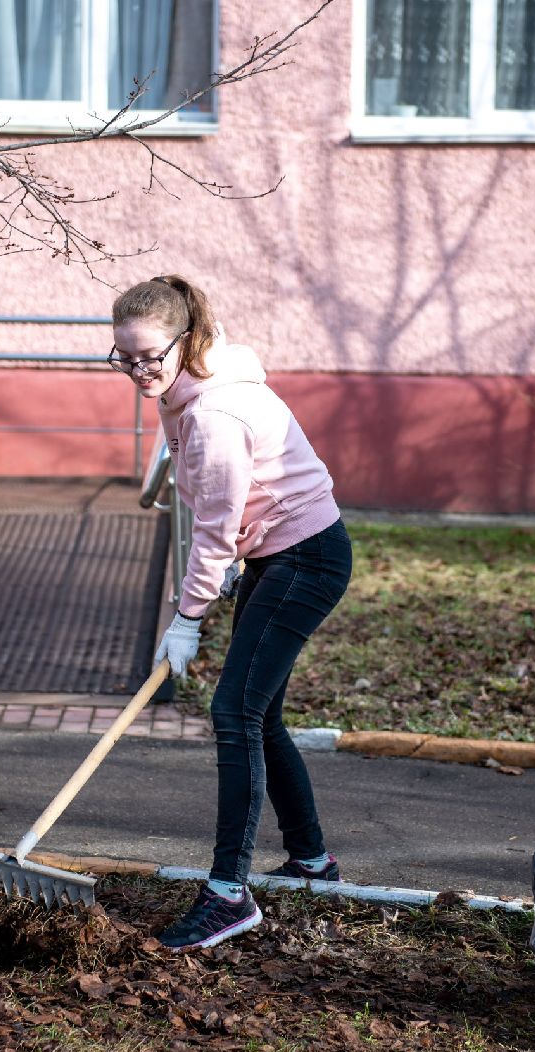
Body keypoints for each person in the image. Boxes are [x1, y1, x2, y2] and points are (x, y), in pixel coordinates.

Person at [109, 274, 352, 952]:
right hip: (278, 553)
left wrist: (186, 618)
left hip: (305, 558)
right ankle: (311, 862)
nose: (136, 370)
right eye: (123, 357)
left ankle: (226, 894)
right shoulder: (188, 388)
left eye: (149, 356)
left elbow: (214, 533)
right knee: (258, 711)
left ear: (187, 341)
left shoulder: (215, 414)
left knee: (234, 713)